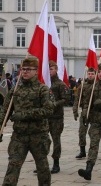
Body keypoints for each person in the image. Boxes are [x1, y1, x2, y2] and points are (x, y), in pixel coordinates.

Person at [0, 58, 54, 186]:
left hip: (38, 135)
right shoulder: (15, 90)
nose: (24, 72)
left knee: (42, 168)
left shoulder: (43, 89)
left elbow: (48, 110)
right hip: (19, 136)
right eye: (23, 69)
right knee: (13, 165)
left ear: (36, 71)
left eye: (28, 69)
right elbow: (5, 110)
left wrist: (23, 115)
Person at [47, 60, 68, 174]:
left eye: (51, 69)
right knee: (42, 140)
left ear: (56, 70)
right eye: (48, 69)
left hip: (56, 117)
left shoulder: (60, 84)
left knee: (56, 140)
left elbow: (66, 99)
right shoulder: (44, 83)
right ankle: (42, 163)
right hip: (45, 116)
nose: (49, 71)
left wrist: (55, 104)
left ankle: (56, 164)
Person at [73, 67, 96, 159]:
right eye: (89, 74)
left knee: (93, 133)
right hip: (85, 111)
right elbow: (77, 100)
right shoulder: (82, 86)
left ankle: (93, 150)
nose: (90, 76)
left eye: (92, 74)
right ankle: (82, 150)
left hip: (95, 112)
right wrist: (75, 110)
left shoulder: (97, 85)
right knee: (82, 132)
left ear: (95, 74)